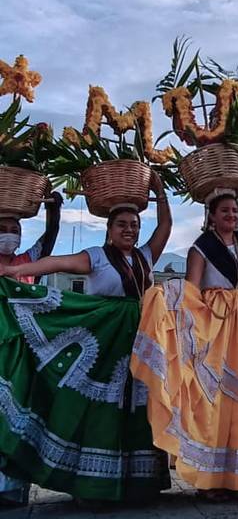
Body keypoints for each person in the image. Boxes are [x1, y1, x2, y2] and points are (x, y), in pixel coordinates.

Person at [0, 173, 171, 504]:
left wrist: (160, 192)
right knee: (101, 411)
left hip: (138, 343)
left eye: (134, 224)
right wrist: (14, 272)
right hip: (103, 344)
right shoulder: (96, 256)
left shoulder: (145, 257)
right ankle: (94, 487)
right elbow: (54, 262)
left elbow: (164, 227)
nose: (129, 230)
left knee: (137, 409)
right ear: (109, 229)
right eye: (121, 224)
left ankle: (139, 485)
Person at [131, 180, 238, 502]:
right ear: (211, 216)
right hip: (215, 324)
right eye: (225, 211)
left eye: (235, 210)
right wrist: (164, 298)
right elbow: (191, 290)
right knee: (216, 399)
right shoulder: (201, 247)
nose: (232, 215)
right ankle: (211, 479)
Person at [0, 190, 62, 507]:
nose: (10, 235)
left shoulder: (27, 262)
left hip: (22, 352)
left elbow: (49, 238)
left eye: (16, 230)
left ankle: (13, 488)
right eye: (4, 229)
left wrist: (55, 208)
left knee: (20, 419)